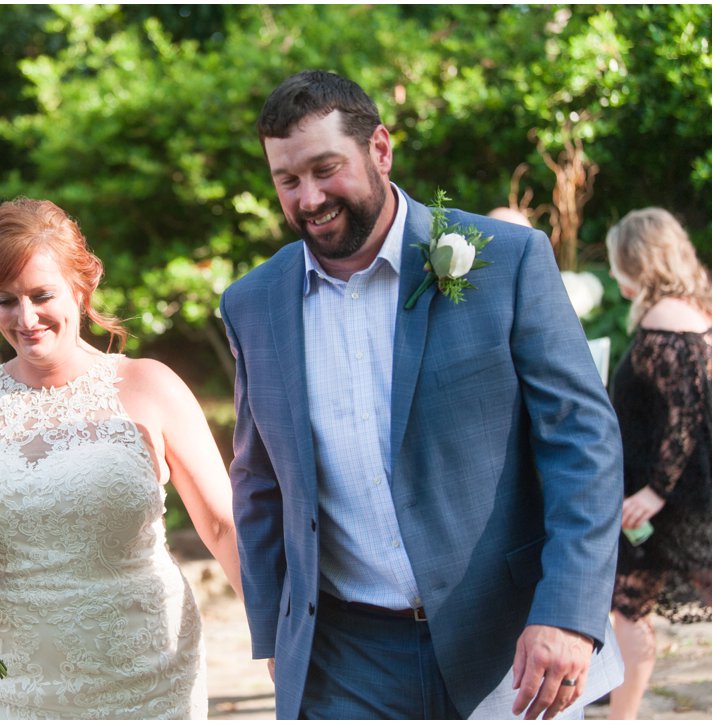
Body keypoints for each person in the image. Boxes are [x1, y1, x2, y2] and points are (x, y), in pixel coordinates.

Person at [219, 69, 625, 720]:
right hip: (346, 655)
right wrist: (276, 633)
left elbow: (584, 445)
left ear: (380, 149)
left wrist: (569, 612)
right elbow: (259, 480)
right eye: (287, 180)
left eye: (326, 169)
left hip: (509, 640)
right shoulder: (251, 304)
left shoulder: (507, 261)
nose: (309, 197)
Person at [0, 197, 242, 719]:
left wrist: (282, 644)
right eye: (6, 301)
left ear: (81, 286)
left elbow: (226, 527)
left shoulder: (148, 387)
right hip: (2, 691)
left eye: (42, 295)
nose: (26, 319)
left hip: (139, 685)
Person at [603, 208, 712, 719]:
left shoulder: (666, 317)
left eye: (615, 261)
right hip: (669, 495)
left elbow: (689, 414)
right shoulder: (689, 307)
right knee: (627, 604)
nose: (612, 272)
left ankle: (621, 717)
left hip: (668, 501)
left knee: (628, 606)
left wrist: (655, 493)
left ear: (637, 260)